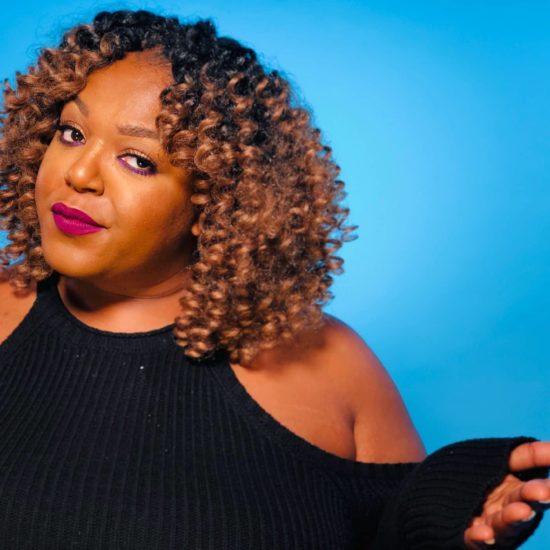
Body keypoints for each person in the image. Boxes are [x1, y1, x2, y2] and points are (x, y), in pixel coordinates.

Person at [0, 9, 548, 549]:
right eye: (71, 132)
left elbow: (394, 526)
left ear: (216, 201)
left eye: (138, 160)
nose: (78, 174)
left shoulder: (330, 365)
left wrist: (443, 510)